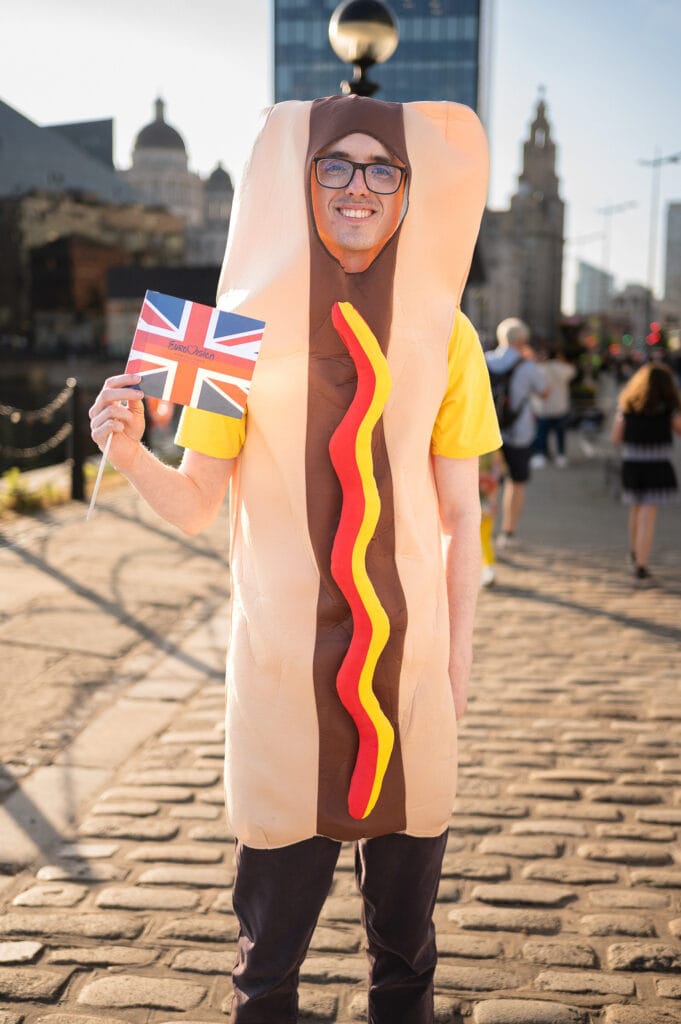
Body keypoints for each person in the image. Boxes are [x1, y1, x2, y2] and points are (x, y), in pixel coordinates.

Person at [89, 95, 501, 1024]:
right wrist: (126, 451)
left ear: (406, 191)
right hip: (280, 673)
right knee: (265, 958)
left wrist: (453, 668)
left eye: (380, 169)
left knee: (406, 952)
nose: (358, 187)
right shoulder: (228, 334)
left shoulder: (451, 334)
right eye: (334, 166)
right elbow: (198, 504)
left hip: (406, 673)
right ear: (299, 181)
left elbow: (456, 519)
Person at [611, 360, 681, 585]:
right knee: (648, 516)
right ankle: (641, 565)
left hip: (632, 464)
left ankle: (633, 554)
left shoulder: (628, 407)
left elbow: (616, 437)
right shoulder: (668, 409)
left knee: (636, 510)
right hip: (658, 465)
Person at [485, 317, 549, 549]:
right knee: (516, 482)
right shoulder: (528, 366)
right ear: (523, 340)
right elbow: (545, 393)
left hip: (486, 431)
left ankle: (483, 532)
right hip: (518, 433)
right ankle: (508, 533)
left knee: (487, 482)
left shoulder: (483, 360)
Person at [531, 348, 576, 468]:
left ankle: (540, 456)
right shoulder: (562, 368)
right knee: (560, 434)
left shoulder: (539, 368)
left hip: (543, 408)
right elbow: (572, 371)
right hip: (560, 407)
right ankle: (561, 456)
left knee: (541, 434)